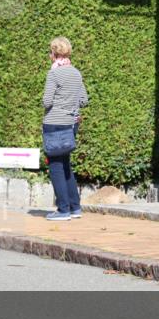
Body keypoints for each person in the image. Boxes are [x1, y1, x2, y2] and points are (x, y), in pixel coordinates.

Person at [42, 36, 88, 221]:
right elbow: (84, 100)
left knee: (55, 167)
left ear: (54, 53)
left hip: (54, 123)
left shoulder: (53, 74)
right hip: (71, 124)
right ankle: (75, 207)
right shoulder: (76, 73)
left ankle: (63, 210)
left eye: (50, 52)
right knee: (66, 164)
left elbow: (46, 100)